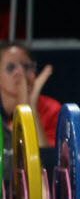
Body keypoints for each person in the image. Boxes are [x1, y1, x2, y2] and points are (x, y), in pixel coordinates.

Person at [0, 42, 61, 172]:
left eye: (26, 66)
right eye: (11, 67)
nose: (21, 73)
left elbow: (46, 165)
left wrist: (31, 107)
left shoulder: (51, 109)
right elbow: (7, 156)